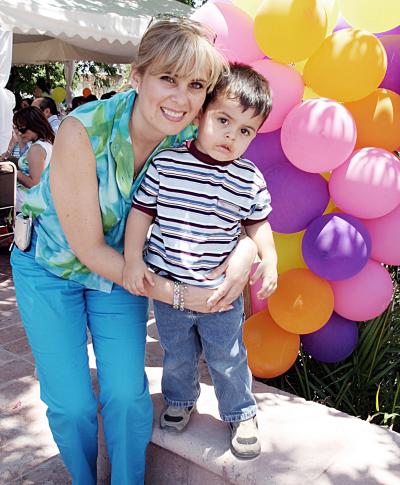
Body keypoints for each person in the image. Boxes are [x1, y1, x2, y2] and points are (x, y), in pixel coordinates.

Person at [11, 18, 258, 485]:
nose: (181, 98)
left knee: (126, 395)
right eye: (168, 78)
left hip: (125, 273)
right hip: (52, 267)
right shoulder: (82, 130)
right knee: (71, 402)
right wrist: (184, 298)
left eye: (196, 85)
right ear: (137, 76)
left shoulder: (191, 140)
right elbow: (86, 248)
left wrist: (245, 256)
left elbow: (243, 207)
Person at [123, 63, 278, 460]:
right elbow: (142, 213)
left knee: (228, 357)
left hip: (219, 294)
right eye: (224, 120)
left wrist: (271, 258)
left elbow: (258, 223)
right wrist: (132, 257)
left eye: (245, 130)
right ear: (201, 113)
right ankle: (179, 400)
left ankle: (241, 413)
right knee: (177, 353)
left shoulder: (248, 178)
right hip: (169, 288)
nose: (232, 135)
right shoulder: (167, 165)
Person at [13, 106, 54, 211]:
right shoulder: (46, 143)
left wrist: (14, 172)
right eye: (17, 128)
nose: (20, 133)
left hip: (29, 206)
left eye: (22, 129)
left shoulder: (37, 148)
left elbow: (35, 184)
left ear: (34, 124)